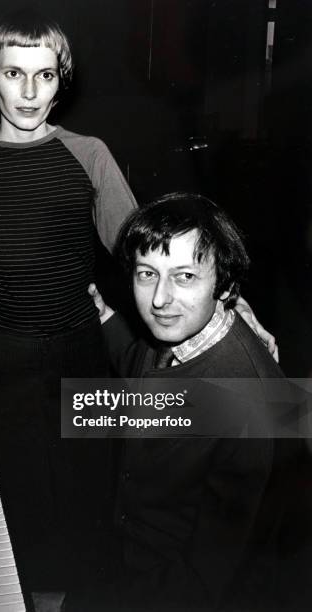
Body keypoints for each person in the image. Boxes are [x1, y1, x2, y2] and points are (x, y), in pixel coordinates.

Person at [0, 12, 277, 602]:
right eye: (14, 73)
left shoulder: (90, 155)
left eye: (45, 75)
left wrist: (236, 307)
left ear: (61, 79)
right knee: (10, 519)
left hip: (80, 359)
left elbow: (145, 251)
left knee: (91, 512)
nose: (29, 92)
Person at [69, 193, 292, 611]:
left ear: (225, 285)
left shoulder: (251, 406)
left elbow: (208, 581)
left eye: (185, 276)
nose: (159, 299)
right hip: (132, 556)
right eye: (146, 274)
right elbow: (142, 364)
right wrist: (106, 318)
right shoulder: (179, 334)